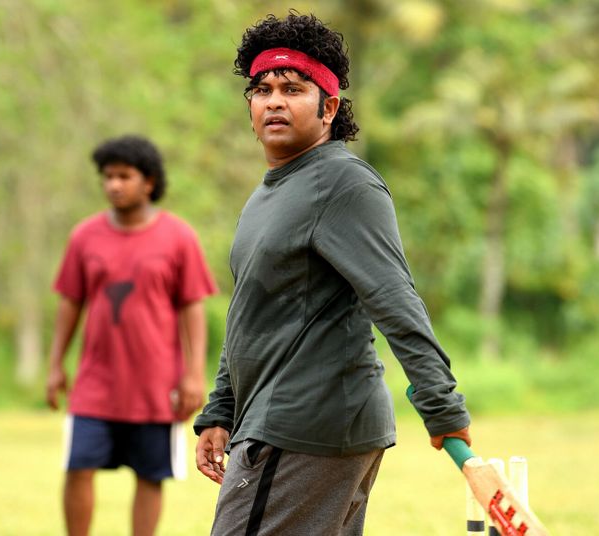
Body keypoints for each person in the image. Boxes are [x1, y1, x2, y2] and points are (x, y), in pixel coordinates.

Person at [193, 12, 472, 536]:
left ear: (329, 108)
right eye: (262, 90)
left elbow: (394, 298)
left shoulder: (344, 184)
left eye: (292, 89)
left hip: (303, 425)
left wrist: (441, 404)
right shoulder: (269, 193)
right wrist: (221, 409)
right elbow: (250, 310)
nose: (274, 101)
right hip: (276, 422)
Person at [46, 135, 217, 536]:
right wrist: (55, 365)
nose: (114, 185)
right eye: (108, 177)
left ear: (149, 182)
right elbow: (70, 303)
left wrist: (194, 374)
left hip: (155, 384)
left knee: (150, 475)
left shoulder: (179, 237)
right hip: (95, 383)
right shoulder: (84, 236)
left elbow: (192, 307)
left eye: (124, 176)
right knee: (78, 467)